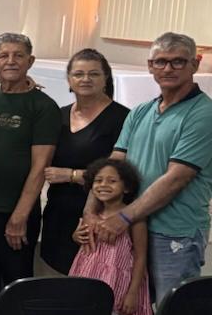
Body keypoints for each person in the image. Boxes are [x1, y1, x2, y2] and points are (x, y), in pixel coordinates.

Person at [83, 31, 212, 301]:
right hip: (132, 227)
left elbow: (176, 178)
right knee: (129, 309)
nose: (168, 68)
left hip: (173, 233)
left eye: (178, 61)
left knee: (171, 313)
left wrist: (122, 218)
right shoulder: (141, 111)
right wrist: (90, 212)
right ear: (150, 66)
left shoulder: (203, 114)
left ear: (195, 64)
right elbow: (112, 165)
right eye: (160, 61)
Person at [0, 32, 59, 315]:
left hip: (15, 213)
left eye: (19, 55)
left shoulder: (43, 106)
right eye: (3, 56)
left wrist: (19, 217)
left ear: (31, 61)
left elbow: (40, 167)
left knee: (16, 290)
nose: (11, 61)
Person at [40, 49, 128, 274]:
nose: (86, 79)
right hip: (57, 212)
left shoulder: (123, 118)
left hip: (99, 217)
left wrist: (71, 175)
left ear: (105, 78)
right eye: (78, 74)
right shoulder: (58, 115)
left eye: (94, 74)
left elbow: (123, 173)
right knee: (56, 281)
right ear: (69, 80)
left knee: (90, 283)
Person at [70, 158, 152, 315]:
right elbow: (81, 241)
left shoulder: (134, 219)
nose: (103, 185)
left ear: (127, 187)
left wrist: (132, 293)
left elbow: (141, 256)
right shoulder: (91, 215)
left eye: (112, 181)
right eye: (98, 180)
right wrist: (76, 236)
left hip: (118, 283)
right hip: (87, 276)